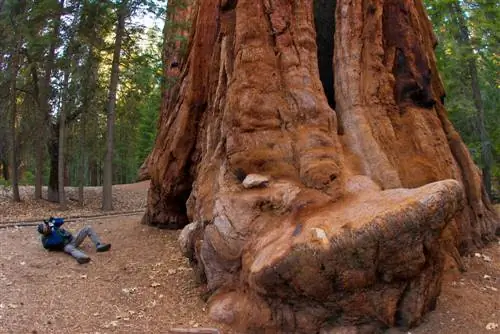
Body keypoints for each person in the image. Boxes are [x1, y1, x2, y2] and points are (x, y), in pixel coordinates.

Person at [37, 217, 111, 264]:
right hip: (65, 246)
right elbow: (59, 240)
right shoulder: (46, 240)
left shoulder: (52, 227)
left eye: (47, 226)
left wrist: (53, 220)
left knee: (88, 228)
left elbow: (61, 221)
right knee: (70, 249)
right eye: (46, 228)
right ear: (44, 232)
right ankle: (83, 257)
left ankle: (99, 245)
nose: (48, 227)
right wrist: (53, 229)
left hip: (73, 239)